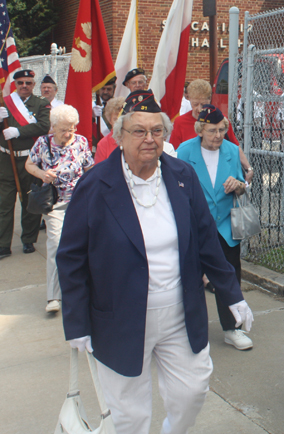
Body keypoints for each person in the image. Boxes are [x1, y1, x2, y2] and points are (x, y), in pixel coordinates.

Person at [56, 90, 254, 434]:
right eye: (139, 131)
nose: (149, 139)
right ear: (119, 136)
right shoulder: (95, 185)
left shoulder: (181, 176)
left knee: (192, 390)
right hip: (120, 317)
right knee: (129, 414)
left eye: (157, 131)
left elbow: (207, 241)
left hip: (179, 311)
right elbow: (71, 257)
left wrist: (232, 293)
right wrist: (76, 323)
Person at [177, 104, 254, 351]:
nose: (218, 136)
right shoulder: (184, 152)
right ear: (200, 130)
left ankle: (232, 328)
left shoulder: (231, 151)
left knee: (229, 276)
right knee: (189, 278)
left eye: (222, 130)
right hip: (194, 226)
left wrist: (239, 185)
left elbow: (244, 185)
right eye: (212, 131)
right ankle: (187, 328)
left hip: (224, 227)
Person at [25, 104, 94, 313]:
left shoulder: (81, 142)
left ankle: (82, 289)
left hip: (80, 203)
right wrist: (41, 174)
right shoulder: (42, 143)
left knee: (84, 246)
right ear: (53, 127)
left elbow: (89, 168)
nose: (67, 133)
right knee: (56, 246)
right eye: (63, 129)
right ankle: (53, 297)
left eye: (71, 128)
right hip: (54, 204)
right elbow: (29, 164)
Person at [0, 69, 51, 259]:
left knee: (30, 201)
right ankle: (3, 244)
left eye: (28, 83)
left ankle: (28, 239)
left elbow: (43, 126)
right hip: (6, 159)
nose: (24, 86)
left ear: (33, 84)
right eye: (20, 82)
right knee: (4, 204)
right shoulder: (4, 103)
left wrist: (18, 132)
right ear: (15, 84)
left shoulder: (41, 104)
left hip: (31, 160)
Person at [170, 79, 254, 184]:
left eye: (203, 104)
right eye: (195, 104)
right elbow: (173, 153)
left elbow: (235, 147)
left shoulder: (220, 121)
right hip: (190, 177)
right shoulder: (180, 122)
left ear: (210, 100)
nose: (199, 109)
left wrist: (248, 168)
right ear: (189, 99)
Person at [95, 97, 177, 164]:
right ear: (109, 121)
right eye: (116, 119)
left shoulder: (166, 148)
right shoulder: (103, 144)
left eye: (157, 130)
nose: (149, 139)